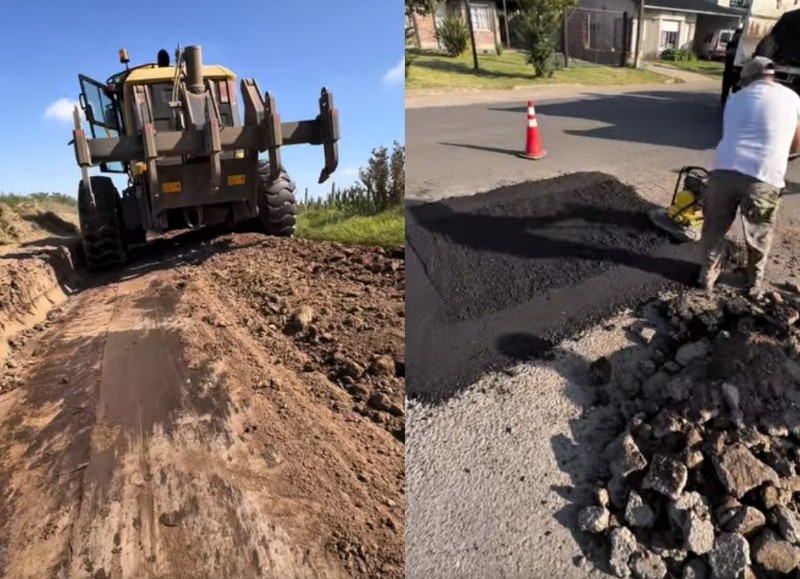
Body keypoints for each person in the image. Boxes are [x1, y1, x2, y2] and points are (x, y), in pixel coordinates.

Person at [699, 56, 800, 299]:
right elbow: (797, 140)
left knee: (714, 228)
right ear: (770, 77)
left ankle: (707, 276)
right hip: (763, 177)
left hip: (722, 171)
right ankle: (753, 282)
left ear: (748, 79)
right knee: (758, 233)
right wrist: (787, 154)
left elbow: (734, 133)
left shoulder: (734, 99)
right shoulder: (793, 97)